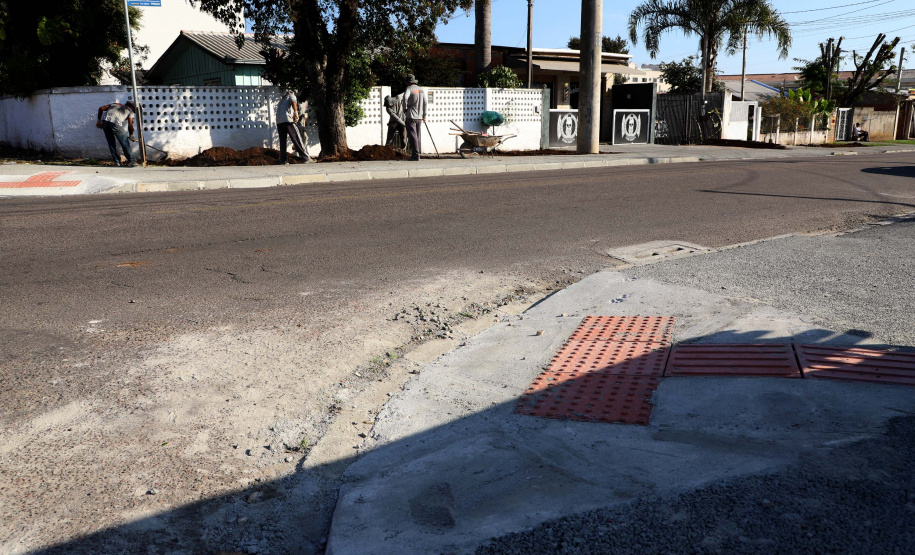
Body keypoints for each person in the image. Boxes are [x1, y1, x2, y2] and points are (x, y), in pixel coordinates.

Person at [276, 90, 313, 164]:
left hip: (279, 122)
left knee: (282, 141)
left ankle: (283, 160)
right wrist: (295, 112)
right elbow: (293, 102)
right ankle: (306, 158)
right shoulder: (291, 95)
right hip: (287, 120)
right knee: (297, 138)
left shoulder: (281, 100)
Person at [96, 101, 137, 167]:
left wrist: (98, 121)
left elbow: (101, 108)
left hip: (105, 121)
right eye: (134, 108)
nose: (134, 109)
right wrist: (131, 135)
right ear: (131, 106)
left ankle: (117, 162)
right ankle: (131, 161)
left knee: (111, 142)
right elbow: (130, 125)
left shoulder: (115, 104)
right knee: (124, 142)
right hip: (115, 123)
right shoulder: (130, 111)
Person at [403, 74, 427, 161]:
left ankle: (416, 155)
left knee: (412, 136)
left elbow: (405, 98)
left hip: (411, 116)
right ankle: (417, 153)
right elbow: (425, 102)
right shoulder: (421, 90)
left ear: (408, 82)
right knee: (417, 136)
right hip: (419, 117)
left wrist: (405, 108)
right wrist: (424, 115)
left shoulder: (409, 89)